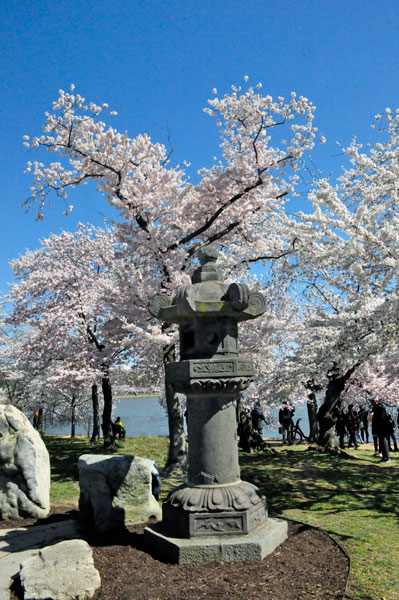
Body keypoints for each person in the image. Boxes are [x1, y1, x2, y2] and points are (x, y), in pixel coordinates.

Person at [370, 398, 391, 463]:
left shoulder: (381, 408)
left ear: (377, 401)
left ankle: (387, 458)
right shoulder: (377, 408)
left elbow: (381, 419)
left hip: (383, 429)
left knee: (384, 442)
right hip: (380, 429)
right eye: (371, 401)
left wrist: (378, 427)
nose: (372, 402)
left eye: (373, 401)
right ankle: (384, 457)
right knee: (382, 443)